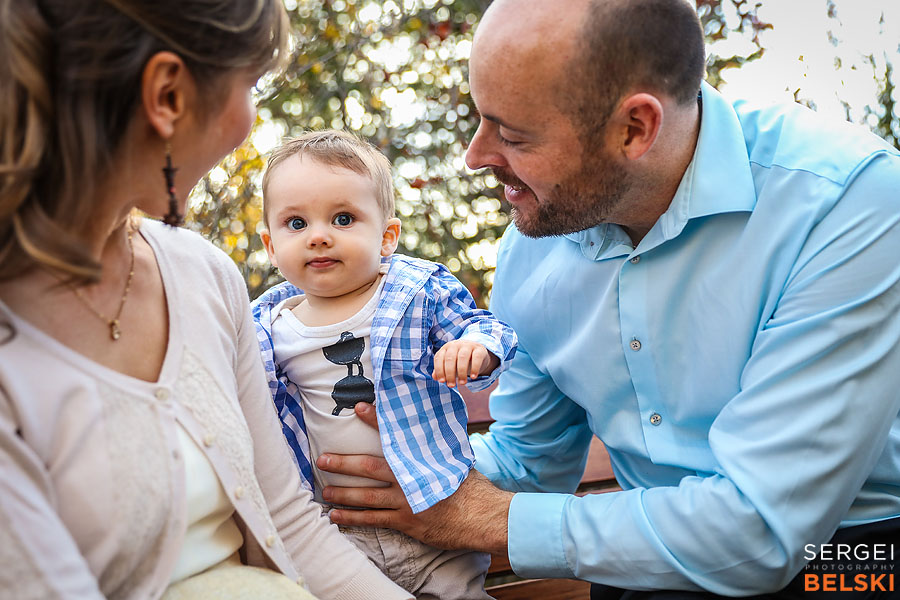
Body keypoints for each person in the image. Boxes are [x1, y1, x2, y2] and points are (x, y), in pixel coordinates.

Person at [314, 0, 900, 597]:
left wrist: (481, 517)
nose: (477, 156)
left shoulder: (847, 203)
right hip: (638, 568)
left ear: (635, 128)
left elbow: (760, 529)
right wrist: (393, 467)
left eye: (514, 135)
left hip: (848, 557)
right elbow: (529, 461)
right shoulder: (532, 247)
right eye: (482, 120)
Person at [0, 2, 414, 599]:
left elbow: (288, 521)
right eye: (250, 85)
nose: (250, 120)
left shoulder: (201, 273)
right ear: (167, 95)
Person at [250, 129, 517, 599]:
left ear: (387, 236)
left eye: (343, 218)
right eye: (296, 224)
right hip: (338, 530)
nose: (318, 236)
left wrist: (473, 347)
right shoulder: (265, 331)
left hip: (433, 511)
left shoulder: (417, 292)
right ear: (271, 247)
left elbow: (486, 328)